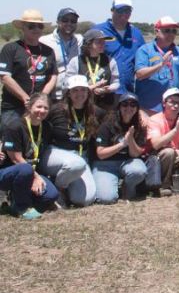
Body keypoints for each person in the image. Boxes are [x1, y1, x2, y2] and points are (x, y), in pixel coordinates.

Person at [41, 75, 101, 206]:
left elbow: (111, 123)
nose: (79, 94)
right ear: (68, 93)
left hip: (80, 157)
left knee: (85, 199)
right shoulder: (55, 110)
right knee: (76, 164)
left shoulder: (94, 112)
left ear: (88, 92)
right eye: (75, 90)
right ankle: (58, 188)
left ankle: (65, 184)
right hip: (56, 153)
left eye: (83, 90)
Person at [0, 93, 62, 218]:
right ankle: (21, 208)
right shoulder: (14, 126)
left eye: (46, 108)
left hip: (30, 171)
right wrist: (36, 177)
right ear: (29, 107)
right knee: (25, 168)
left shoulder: (46, 127)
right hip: (9, 172)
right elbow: (16, 159)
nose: (42, 110)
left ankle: (16, 199)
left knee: (51, 195)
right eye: (39, 106)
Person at [91, 93, 156, 203]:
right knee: (106, 199)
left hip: (128, 161)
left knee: (138, 171)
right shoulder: (107, 124)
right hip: (105, 164)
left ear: (137, 108)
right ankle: (111, 185)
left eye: (133, 105)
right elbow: (101, 154)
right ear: (119, 107)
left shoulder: (140, 126)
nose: (129, 108)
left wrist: (130, 140)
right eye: (125, 104)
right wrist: (122, 144)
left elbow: (136, 154)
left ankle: (127, 188)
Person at [1, 10, 58, 127]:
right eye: (31, 26)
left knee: (38, 140)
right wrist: (26, 99)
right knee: (11, 140)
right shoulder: (11, 48)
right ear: (23, 28)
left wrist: (40, 99)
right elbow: (4, 77)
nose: (36, 29)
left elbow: (53, 76)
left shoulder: (48, 51)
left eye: (39, 26)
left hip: (40, 107)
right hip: (14, 106)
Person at [145, 87, 179, 193]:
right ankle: (163, 186)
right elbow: (156, 145)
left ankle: (173, 180)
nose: (176, 105)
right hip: (155, 157)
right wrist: (175, 130)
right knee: (169, 152)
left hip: (174, 154)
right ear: (164, 103)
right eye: (172, 102)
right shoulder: (154, 120)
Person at [134, 17, 179, 114]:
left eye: (174, 31)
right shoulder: (145, 50)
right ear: (157, 32)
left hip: (172, 107)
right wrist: (160, 65)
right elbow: (139, 74)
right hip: (150, 107)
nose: (171, 34)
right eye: (167, 30)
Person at [96, 0, 146, 94]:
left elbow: (142, 61)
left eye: (127, 10)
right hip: (103, 90)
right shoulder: (98, 30)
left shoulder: (136, 33)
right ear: (112, 10)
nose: (124, 14)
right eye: (120, 10)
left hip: (128, 91)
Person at [66, 28, 119, 110]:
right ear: (88, 43)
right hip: (82, 104)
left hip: (105, 104)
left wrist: (108, 89)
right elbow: (68, 84)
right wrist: (91, 88)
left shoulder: (110, 60)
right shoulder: (76, 61)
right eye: (98, 42)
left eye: (103, 41)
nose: (103, 44)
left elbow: (116, 82)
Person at [40, 7, 82, 98]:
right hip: (51, 95)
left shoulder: (79, 40)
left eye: (73, 21)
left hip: (73, 95)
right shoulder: (44, 41)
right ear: (58, 22)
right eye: (65, 20)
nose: (69, 23)